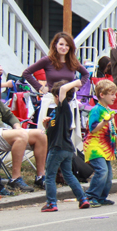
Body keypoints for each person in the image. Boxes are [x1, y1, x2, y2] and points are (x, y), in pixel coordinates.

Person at [22, 32, 87, 187]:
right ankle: (50, 171)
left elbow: (85, 75)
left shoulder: (73, 62)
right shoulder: (48, 60)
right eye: (61, 44)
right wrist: (40, 88)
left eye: (66, 45)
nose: (63, 47)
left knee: (66, 137)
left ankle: (65, 171)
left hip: (69, 104)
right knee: (51, 136)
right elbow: (27, 73)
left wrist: (77, 84)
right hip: (52, 104)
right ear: (55, 45)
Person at [40, 82, 90, 212]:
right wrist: (46, 125)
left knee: (50, 175)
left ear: (58, 96)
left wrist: (76, 83)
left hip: (58, 148)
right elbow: (53, 129)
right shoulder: (58, 112)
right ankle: (82, 199)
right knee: (68, 175)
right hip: (66, 149)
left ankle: (51, 202)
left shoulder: (64, 108)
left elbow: (62, 89)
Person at [0, 89, 48, 192]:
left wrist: (17, 127)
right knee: (20, 136)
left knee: (40, 134)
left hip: (2, 132)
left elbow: (9, 115)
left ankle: (41, 177)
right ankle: (15, 179)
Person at [84, 79, 117, 207]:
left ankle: (101, 197)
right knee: (102, 171)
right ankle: (91, 196)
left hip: (106, 148)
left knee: (109, 176)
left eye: (115, 94)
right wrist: (105, 121)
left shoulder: (107, 110)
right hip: (95, 146)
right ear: (102, 95)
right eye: (111, 94)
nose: (114, 97)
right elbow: (92, 129)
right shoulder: (96, 110)